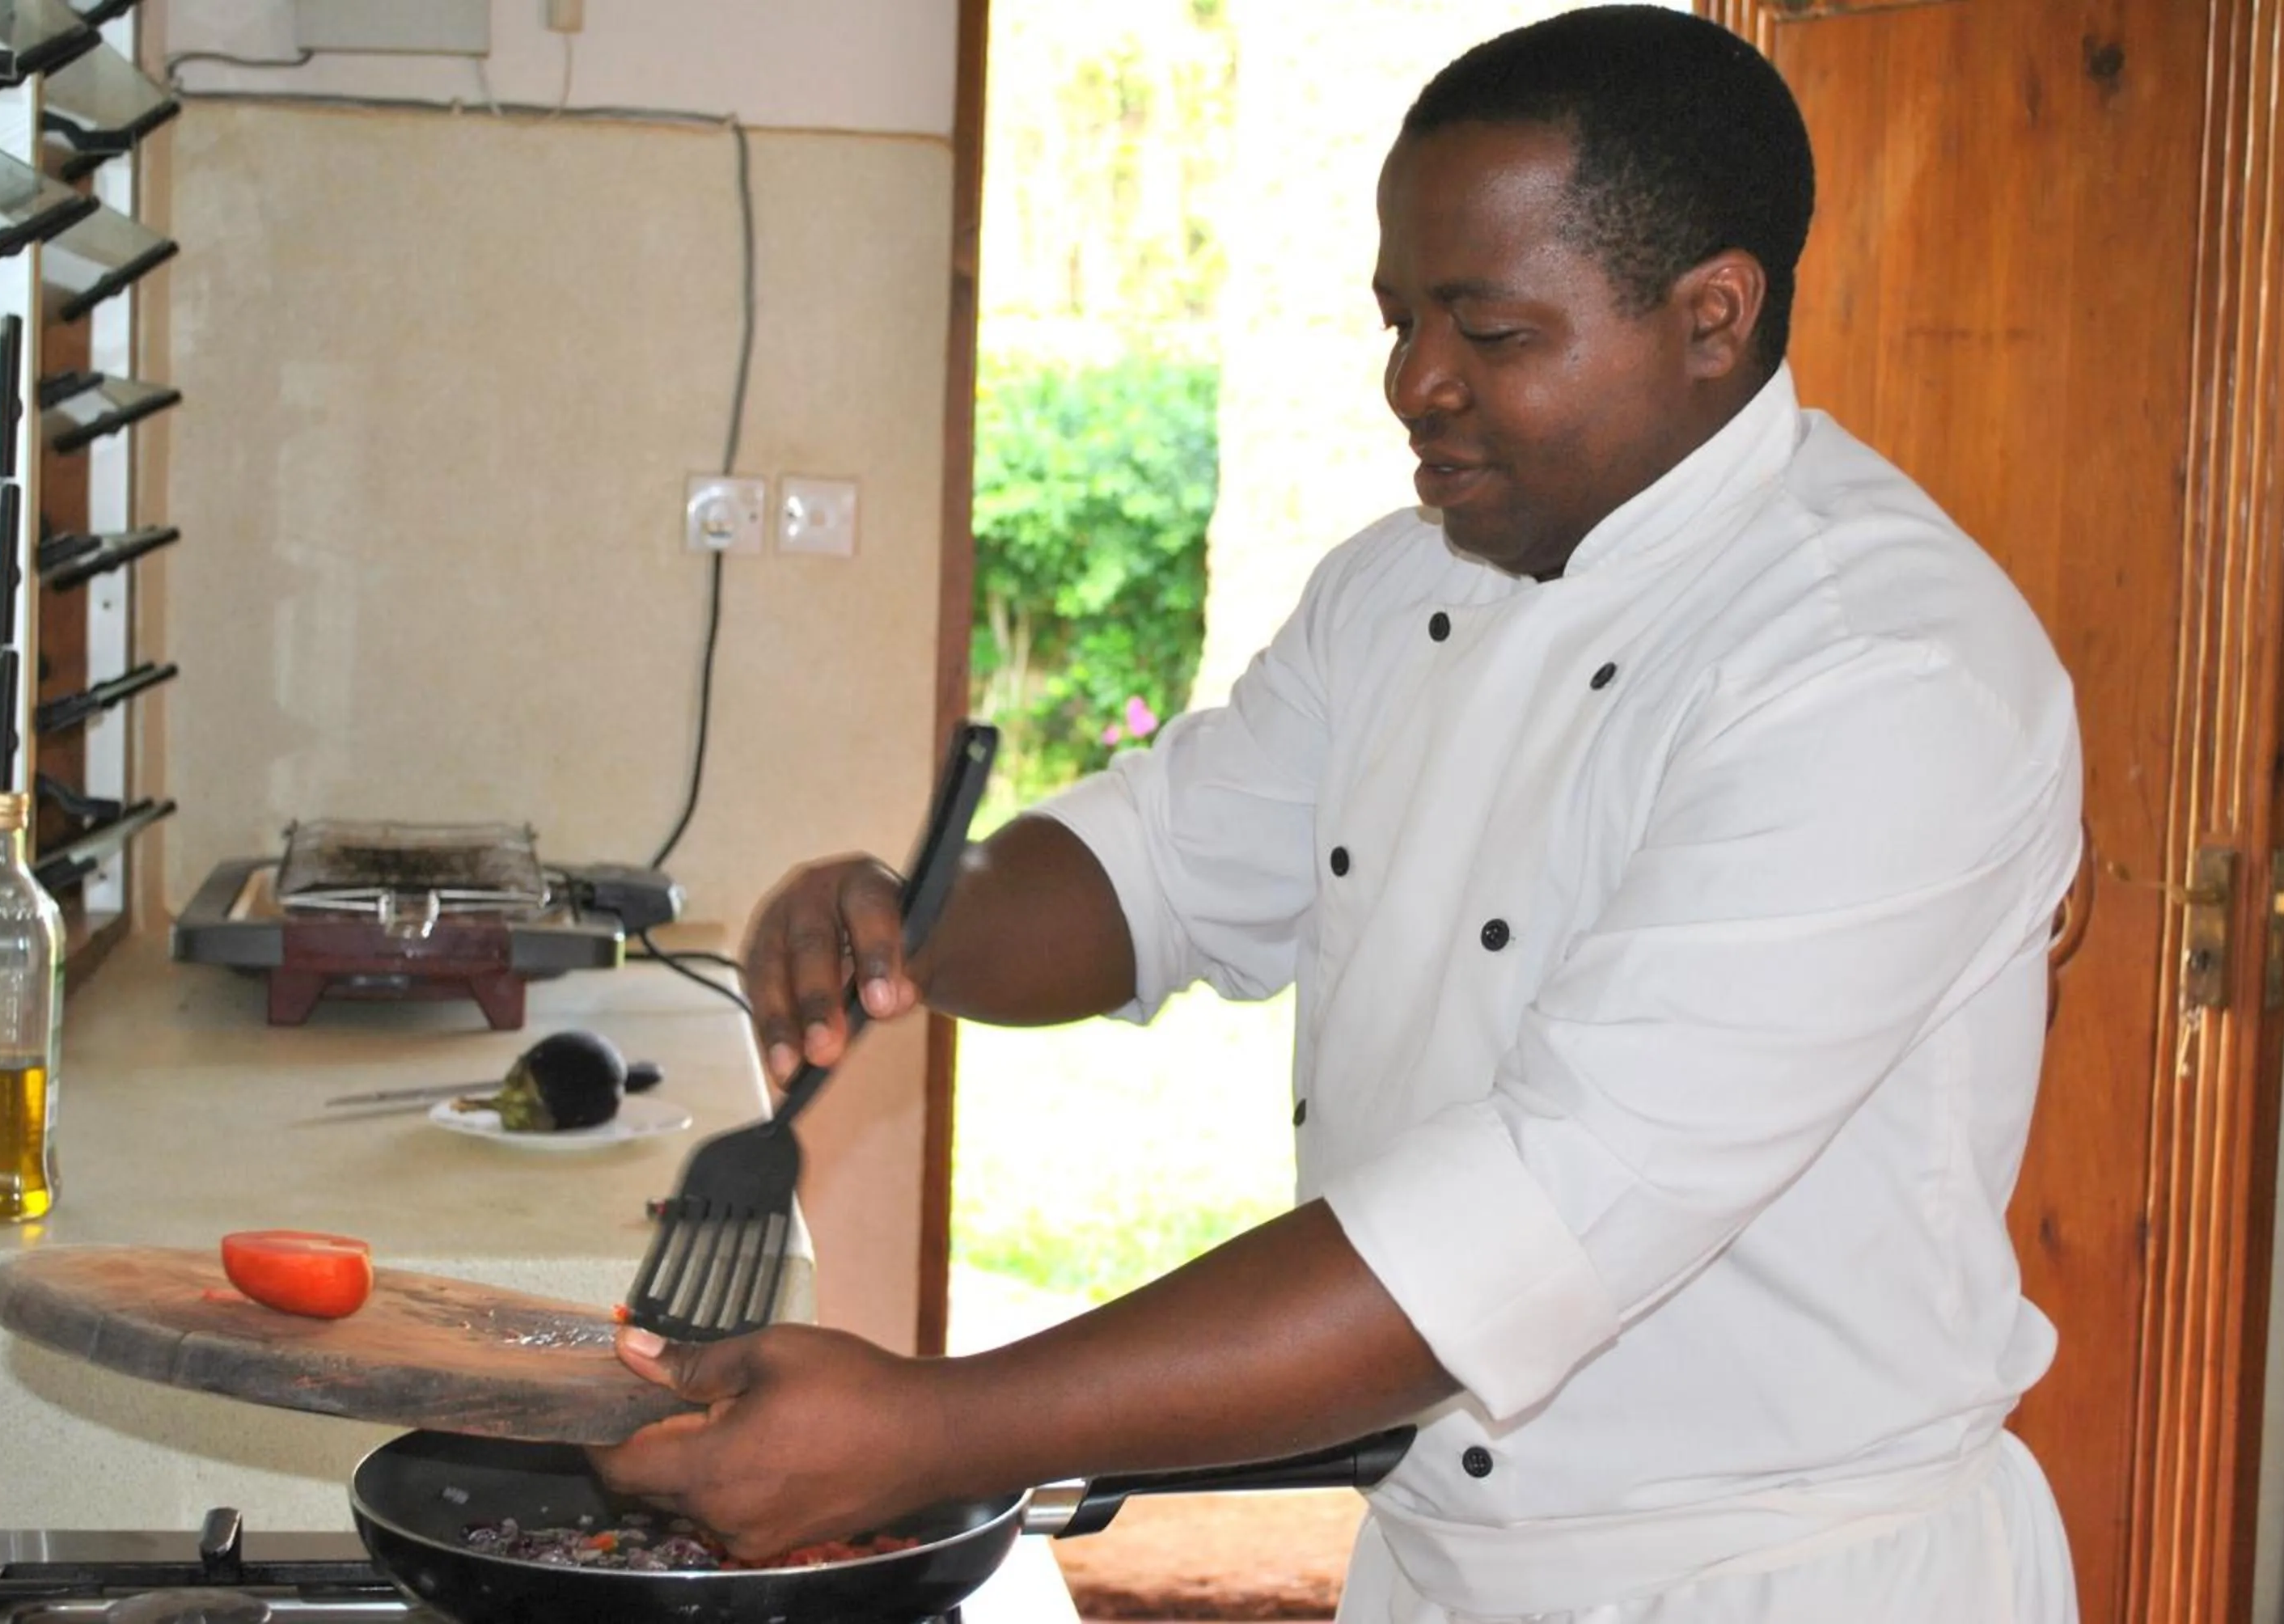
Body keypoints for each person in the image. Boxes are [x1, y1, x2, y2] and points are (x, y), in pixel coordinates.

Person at [593, 7, 2085, 1619]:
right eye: (1397, 319)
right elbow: (1156, 862)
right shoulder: (1406, 582)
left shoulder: (1880, 672)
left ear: (1714, 316)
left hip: (1777, 1577)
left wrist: (940, 1426)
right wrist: (912, 914)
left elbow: (1531, 1213)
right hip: (1439, 1563)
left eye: (1490, 333)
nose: (1413, 384)